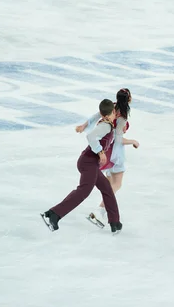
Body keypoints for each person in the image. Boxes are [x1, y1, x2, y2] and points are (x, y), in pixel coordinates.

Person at [41, 99, 123, 234]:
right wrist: (100, 152)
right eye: (115, 112)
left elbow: (98, 114)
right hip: (88, 162)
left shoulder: (106, 120)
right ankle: (52, 214)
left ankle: (115, 222)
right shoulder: (106, 126)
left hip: (91, 162)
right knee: (84, 191)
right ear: (110, 114)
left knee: (107, 189)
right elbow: (91, 136)